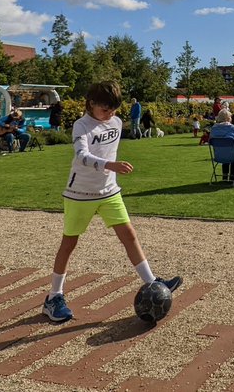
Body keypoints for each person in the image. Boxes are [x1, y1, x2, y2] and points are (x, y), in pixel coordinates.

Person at [42, 81, 183, 323]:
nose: (111, 115)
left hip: (109, 192)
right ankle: (54, 297)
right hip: (80, 194)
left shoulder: (116, 122)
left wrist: (111, 170)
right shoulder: (81, 125)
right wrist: (110, 165)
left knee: (129, 234)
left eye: (114, 110)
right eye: (106, 110)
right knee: (69, 243)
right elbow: (81, 156)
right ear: (92, 104)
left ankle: (151, 282)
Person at [209, 109, 234, 182]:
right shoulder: (232, 128)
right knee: (233, 154)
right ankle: (232, 176)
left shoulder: (214, 128)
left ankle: (224, 176)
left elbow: (211, 141)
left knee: (225, 152)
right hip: (231, 154)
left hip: (218, 155)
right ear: (227, 118)